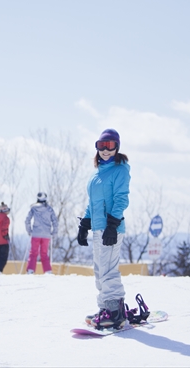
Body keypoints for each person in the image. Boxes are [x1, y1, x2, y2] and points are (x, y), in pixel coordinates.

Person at [77, 128, 130, 330]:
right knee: (100, 270)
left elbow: (121, 199)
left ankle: (115, 313)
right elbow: (93, 203)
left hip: (111, 228)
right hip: (98, 228)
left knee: (108, 270)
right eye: (101, 146)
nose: (105, 150)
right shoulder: (97, 174)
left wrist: (113, 225)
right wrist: (85, 224)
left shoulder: (121, 170)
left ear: (117, 147)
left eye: (109, 146)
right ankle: (105, 309)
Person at [24, 192, 58, 274]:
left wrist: (29, 231)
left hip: (36, 234)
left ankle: (31, 270)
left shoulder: (33, 208)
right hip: (46, 235)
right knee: (44, 253)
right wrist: (54, 232)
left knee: (33, 252)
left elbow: (27, 220)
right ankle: (48, 271)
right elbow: (55, 221)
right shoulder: (49, 209)